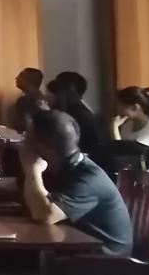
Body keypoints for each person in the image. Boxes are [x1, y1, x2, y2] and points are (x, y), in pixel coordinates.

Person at [21, 109, 132, 256]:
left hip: (103, 260)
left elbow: (45, 215)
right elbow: (26, 193)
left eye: (27, 139)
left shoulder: (88, 178)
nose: (23, 144)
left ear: (45, 148)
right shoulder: (58, 166)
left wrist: (32, 170)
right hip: (74, 247)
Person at [46, 72, 101, 154]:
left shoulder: (75, 115)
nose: (56, 93)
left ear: (70, 90)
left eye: (59, 89)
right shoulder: (78, 109)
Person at [111, 86, 149, 158]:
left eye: (120, 107)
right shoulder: (127, 125)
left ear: (134, 108)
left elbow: (130, 157)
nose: (117, 110)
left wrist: (114, 128)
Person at [12, 67, 46, 133]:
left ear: (28, 80)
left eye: (20, 76)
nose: (16, 78)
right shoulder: (42, 98)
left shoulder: (26, 101)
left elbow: (21, 126)